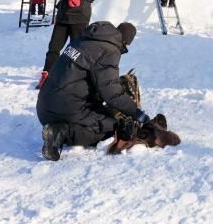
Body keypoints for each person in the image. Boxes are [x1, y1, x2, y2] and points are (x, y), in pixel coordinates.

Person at [37, 21, 149, 161]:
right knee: (113, 126)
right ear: (125, 41)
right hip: (65, 109)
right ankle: (60, 132)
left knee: (102, 114)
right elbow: (111, 93)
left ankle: (58, 128)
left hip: (44, 108)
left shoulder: (82, 39)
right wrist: (136, 113)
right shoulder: (110, 50)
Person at [37, 0, 106, 90]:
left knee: (76, 50)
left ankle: (73, 78)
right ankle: (46, 75)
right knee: (53, 48)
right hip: (63, 16)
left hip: (79, 18)